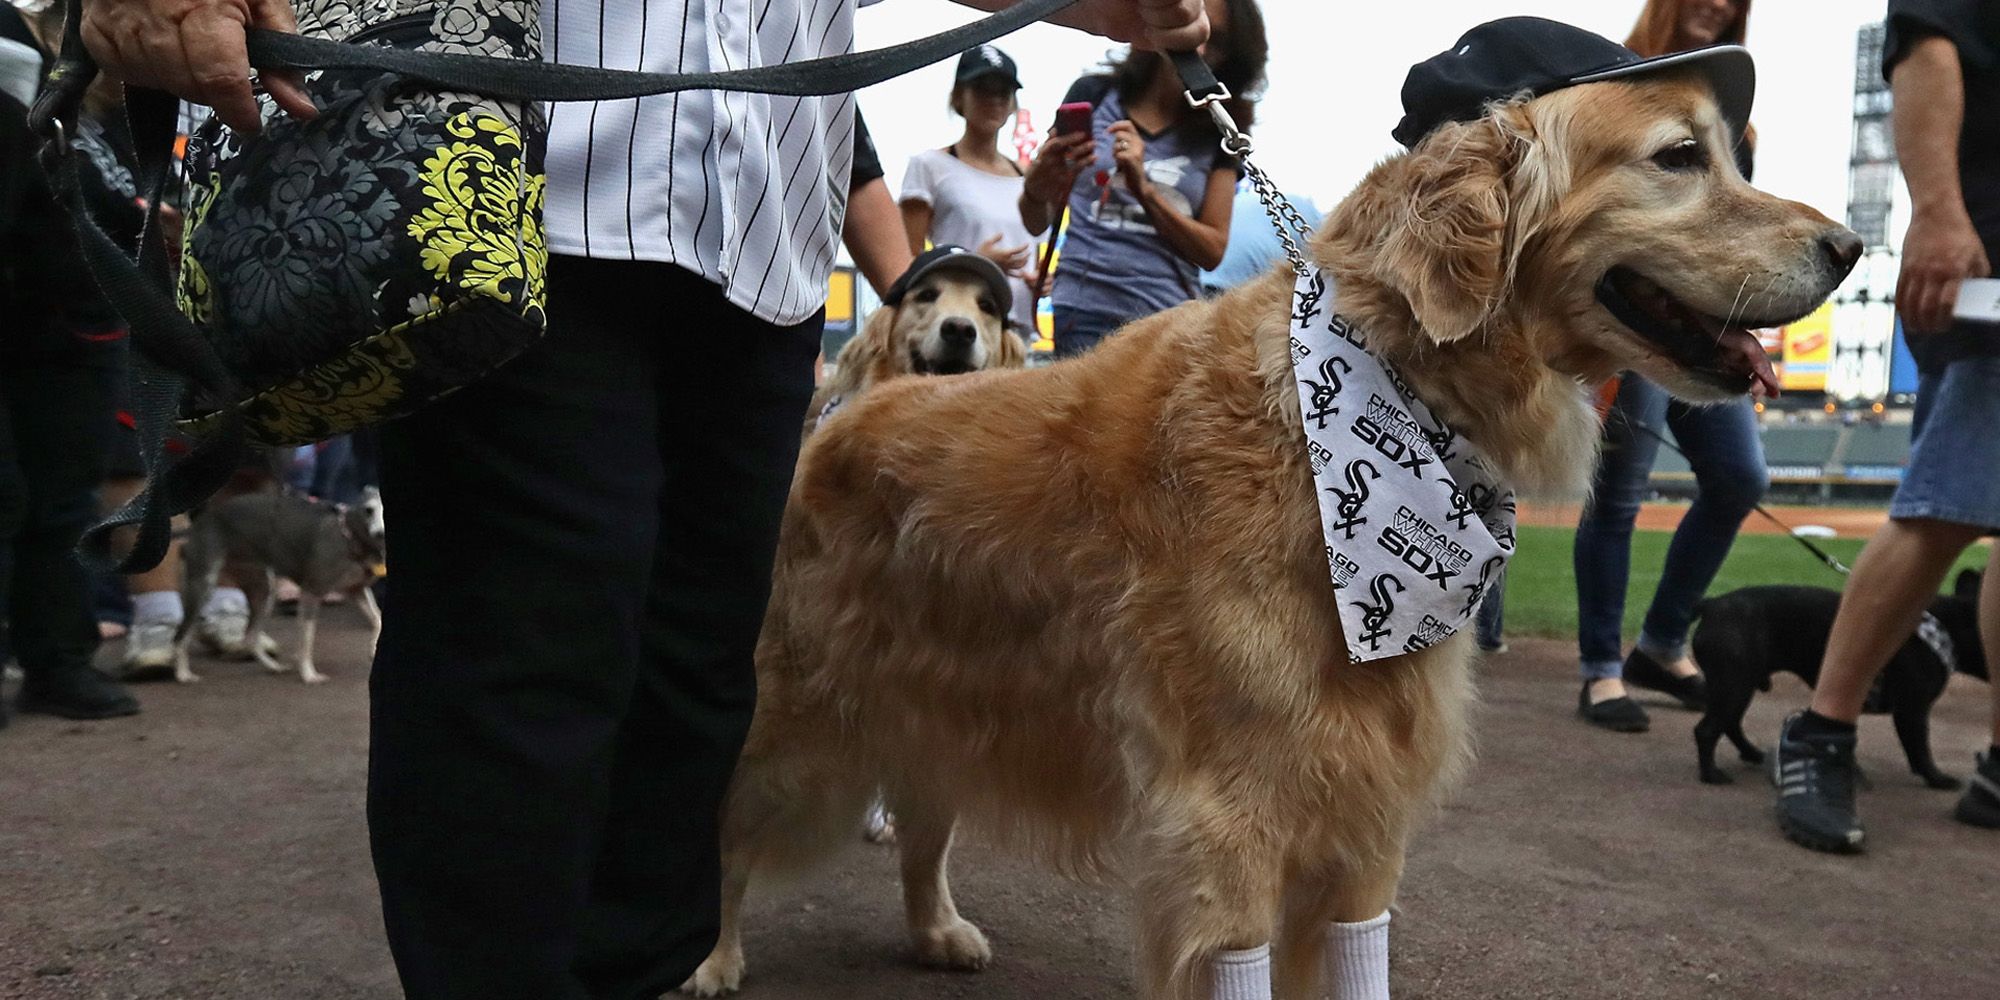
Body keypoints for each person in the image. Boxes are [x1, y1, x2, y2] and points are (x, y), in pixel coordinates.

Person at [77, 1, 1210, 997]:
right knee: (523, 664)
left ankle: (626, 974)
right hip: (513, 190)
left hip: (760, 232)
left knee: (700, 678)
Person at [1774, 0, 2000, 852]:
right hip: (1986, 263)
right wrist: (1938, 212)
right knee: (1943, 507)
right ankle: (1823, 727)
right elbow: (1927, 42)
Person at [1571, 0, 1767, 733]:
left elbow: (1729, 244)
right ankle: (1599, 671)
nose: (1720, 4)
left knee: (1740, 477)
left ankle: (1659, 642)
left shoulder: (1736, 126)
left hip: (1701, 328)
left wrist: (1740, 338)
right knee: (1618, 497)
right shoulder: (1606, 90)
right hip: (1630, 320)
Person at [0, 4, 141, 727]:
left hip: (81, 332)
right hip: (30, 314)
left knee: (63, 505)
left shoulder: (111, 115)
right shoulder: (15, 54)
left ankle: (58, 662)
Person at [1019, 0, 1267, 357]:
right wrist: (1035, 188)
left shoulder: (1219, 130)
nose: (1197, 47)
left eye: (1215, 39)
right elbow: (1035, 221)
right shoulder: (1095, 95)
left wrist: (1143, 189)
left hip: (1169, 323)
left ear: (1233, 55)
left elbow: (1212, 251)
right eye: (1187, 26)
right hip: (1083, 313)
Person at [899, 44, 1039, 333]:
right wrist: (976, 263)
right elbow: (905, 260)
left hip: (1016, 331)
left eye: (1003, 92)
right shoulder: (929, 166)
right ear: (959, 97)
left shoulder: (1028, 177)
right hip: (956, 327)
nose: (994, 100)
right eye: (982, 89)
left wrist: (1043, 281)